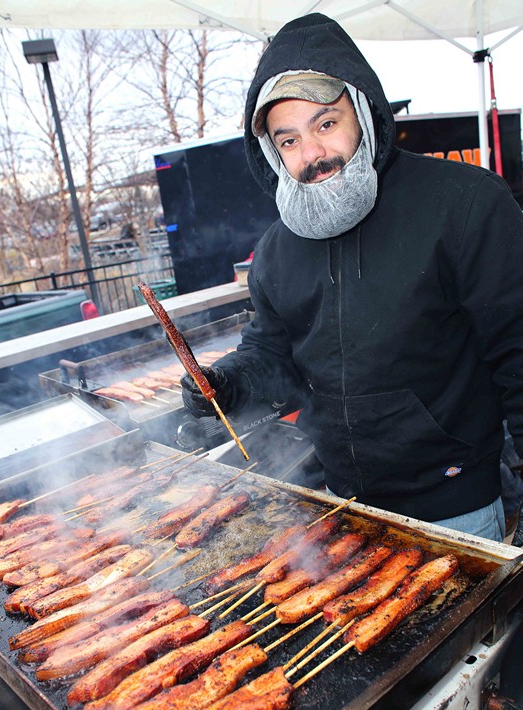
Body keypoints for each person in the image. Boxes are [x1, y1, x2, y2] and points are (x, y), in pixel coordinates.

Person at [181, 13, 523, 543]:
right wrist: (227, 384)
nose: (312, 155)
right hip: (341, 509)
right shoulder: (276, 248)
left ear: (362, 110)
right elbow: (274, 355)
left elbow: (517, 352)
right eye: (288, 140)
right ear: (272, 152)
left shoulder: (465, 203)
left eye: (325, 124)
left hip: (456, 510)